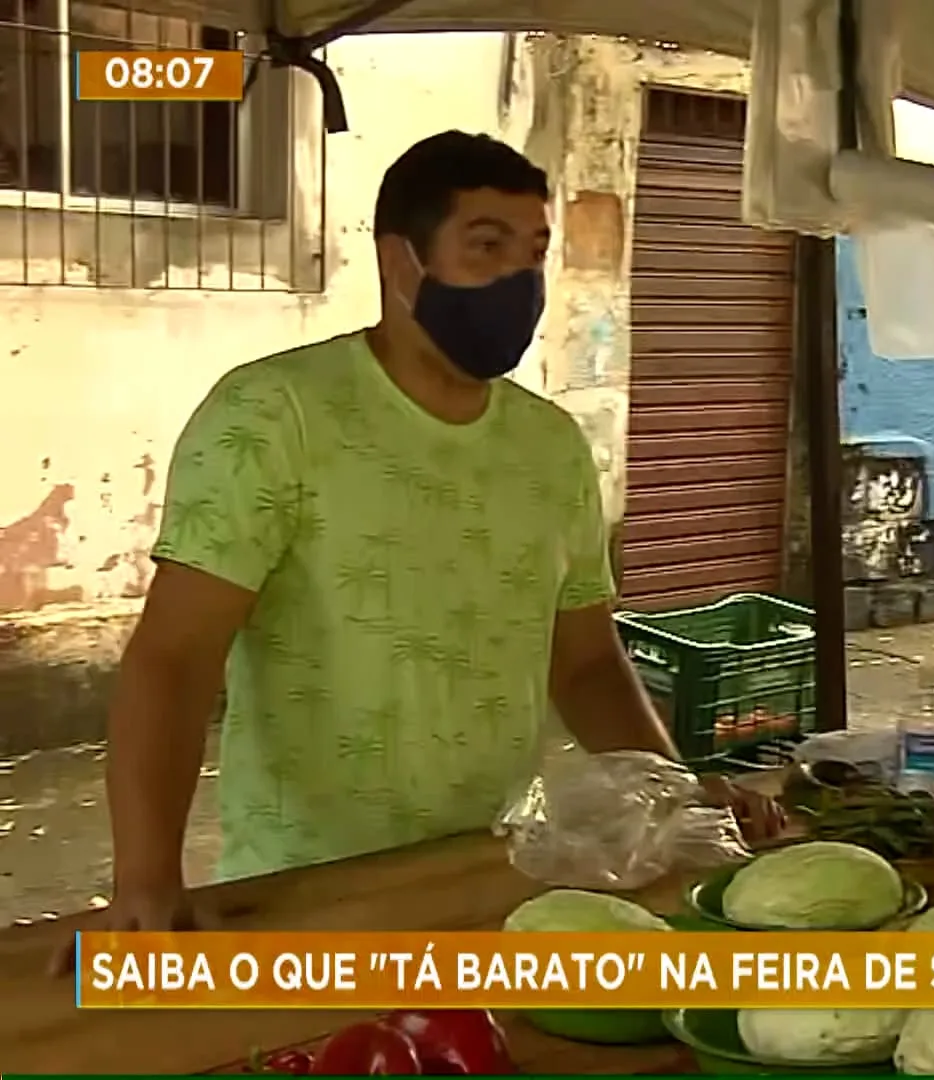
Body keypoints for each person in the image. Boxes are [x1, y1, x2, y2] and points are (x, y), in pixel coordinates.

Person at [88, 131, 784, 938]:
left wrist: (680, 792)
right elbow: (175, 657)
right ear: (400, 260)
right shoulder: (274, 417)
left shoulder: (550, 447)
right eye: (485, 247)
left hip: (499, 869)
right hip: (307, 890)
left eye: (533, 254)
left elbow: (587, 661)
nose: (518, 281)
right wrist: (144, 876)